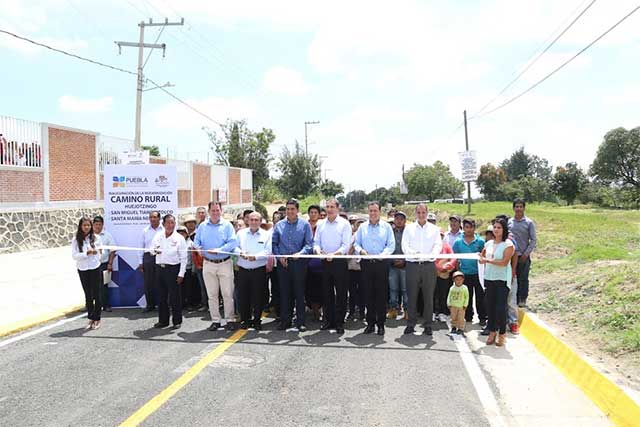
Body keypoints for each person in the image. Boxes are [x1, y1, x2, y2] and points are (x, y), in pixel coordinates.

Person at [194, 201, 239, 332]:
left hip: (224, 263)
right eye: (213, 210)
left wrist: (220, 250)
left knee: (227, 294)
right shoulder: (202, 226)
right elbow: (196, 241)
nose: (215, 213)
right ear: (209, 212)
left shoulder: (227, 226)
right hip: (208, 264)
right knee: (212, 295)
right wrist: (198, 248)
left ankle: (230, 319)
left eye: (217, 210)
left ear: (221, 211)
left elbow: (233, 242)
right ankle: (215, 320)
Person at [354, 201, 395, 335]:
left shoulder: (386, 227)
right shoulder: (362, 227)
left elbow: (391, 245)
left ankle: (381, 324)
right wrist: (361, 251)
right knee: (368, 294)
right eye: (370, 210)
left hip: (381, 264)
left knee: (381, 295)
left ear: (380, 211)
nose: (372, 213)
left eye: (375, 210)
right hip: (366, 264)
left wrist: (382, 255)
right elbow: (356, 244)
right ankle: (370, 323)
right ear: (368, 212)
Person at [272, 199, 313, 332]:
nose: (290, 211)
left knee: (299, 292)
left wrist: (300, 253)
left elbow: (309, 245)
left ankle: (300, 322)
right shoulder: (279, 225)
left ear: (297, 210)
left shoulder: (305, 225)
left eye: (292, 209)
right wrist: (279, 256)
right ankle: (286, 320)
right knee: (284, 292)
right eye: (288, 209)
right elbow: (274, 244)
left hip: (299, 263)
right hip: (283, 264)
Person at [401, 203, 442, 336]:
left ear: (427, 213)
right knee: (411, 296)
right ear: (415, 213)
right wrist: (413, 253)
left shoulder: (434, 229)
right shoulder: (409, 228)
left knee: (428, 297)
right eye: (418, 212)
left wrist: (432, 255)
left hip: (428, 266)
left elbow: (437, 245)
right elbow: (404, 246)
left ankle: (428, 325)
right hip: (412, 265)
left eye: (423, 212)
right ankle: (411, 324)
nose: (421, 215)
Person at [314, 198, 352, 334]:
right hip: (324, 262)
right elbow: (316, 242)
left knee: (341, 293)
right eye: (327, 207)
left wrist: (334, 254)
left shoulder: (344, 224)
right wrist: (318, 251)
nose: (329, 209)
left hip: (339, 262)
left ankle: (340, 322)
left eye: (332, 207)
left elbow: (346, 245)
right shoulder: (321, 224)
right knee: (327, 292)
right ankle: (328, 320)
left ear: (337, 208)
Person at [479, 217, 515, 347]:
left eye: (499, 227)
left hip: (502, 279)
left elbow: (504, 262)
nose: (496, 230)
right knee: (490, 306)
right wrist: (481, 258)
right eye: (494, 227)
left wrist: (487, 261)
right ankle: (492, 331)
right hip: (489, 278)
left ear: (504, 229)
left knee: (500, 307)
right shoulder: (488, 244)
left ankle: (502, 333)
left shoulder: (508, 245)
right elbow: (482, 256)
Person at [235, 212, 271, 331]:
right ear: (248, 221)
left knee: (258, 297)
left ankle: (257, 320)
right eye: (252, 220)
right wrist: (240, 252)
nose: (254, 222)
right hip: (243, 270)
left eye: (256, 220)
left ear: (260, 222)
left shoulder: (266, 235)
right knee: (243, 296)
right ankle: (245, 319)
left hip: (258, 270)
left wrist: (255, 257)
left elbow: (268, 251)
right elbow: (234, 247)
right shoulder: (240, 234)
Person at [151, 215, 187, 329]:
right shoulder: (158, 235)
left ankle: (177, 321)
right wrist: (154, 251)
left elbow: (184, 258)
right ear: (163, 224)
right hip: (160, 269)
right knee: (161, 297)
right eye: (168, 223)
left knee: (175, 297)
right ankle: (163, 321)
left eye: (172, 223)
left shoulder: (179, 238)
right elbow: (151, 250)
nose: (170, 225)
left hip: (173, 269)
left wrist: (181, 274)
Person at [452, 218, 487, 328]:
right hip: (465, 274)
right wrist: (459, 272)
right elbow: (455, 258)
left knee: (480, 297)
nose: (469, 229)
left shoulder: (480, 241)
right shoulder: (458, 242)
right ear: (464, 228)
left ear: (474, 228)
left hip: (478, 273)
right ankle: (468, 316)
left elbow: (483, 255)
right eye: (467, 227)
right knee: (467, 296)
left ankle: (482, 317)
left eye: (471, 227)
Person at [72, 216, 103, 330]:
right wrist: (86, 253)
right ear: (81, 226)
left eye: (88, 225)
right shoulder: (76, 240)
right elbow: (74, 256)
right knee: (88, 294)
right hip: (83, 269)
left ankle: (97, 318)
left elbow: (100, 253)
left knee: (97, 294)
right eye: (84, 225)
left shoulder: (96, 238)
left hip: (95, 268)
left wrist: (95, 253)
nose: (86, 227)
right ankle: (90, 317)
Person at [508, 198, 537, 307]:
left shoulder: (529, 223)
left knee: (523, 278)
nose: (518, 208)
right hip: (511, 256)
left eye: (521, 206)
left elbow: (533, 240)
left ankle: (522, 298)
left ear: (524, 208)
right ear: (513, 208)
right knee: (512, 277)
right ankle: (513, 298)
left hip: (523, 256)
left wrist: (526, 254)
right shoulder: (509, 222)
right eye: (516, 206)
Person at [138, 211, 163, 312]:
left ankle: (163, 304)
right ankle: (150, 305)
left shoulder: (164, 230)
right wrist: (140, 262)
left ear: (159, 218)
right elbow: (140, 247)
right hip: (148, 257)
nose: (152, 219)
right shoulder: (145, 231)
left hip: (161, 256)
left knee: (162, 281)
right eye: (150, 217)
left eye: (154, 217)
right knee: (148, 283)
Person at [92, 215, 116, 312]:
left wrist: (110, 264)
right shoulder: (89, 236)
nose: (98, 226)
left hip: (104, 264)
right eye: (96, 224)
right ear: (93, 225)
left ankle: (106, 305)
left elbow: (113, 250)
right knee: (91, 286)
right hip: (91, 265)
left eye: (100, 224)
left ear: (103, 225)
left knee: (104, 285)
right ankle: (89, 305)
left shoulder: (107, 235)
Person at [387, 211, 408, 320]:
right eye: (397, 219)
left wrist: (404, 260)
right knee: (393, 288)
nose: (399, 221)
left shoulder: (409, 232)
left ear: (405, 221)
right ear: (394, 220)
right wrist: (392, 260)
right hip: (392, 264)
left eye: (401, 219)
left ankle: (407, 311)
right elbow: (387, 246)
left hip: (406, 265)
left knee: (405, 289)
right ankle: (393, 310)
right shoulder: (390, 232)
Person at [306, 205, 324, 322]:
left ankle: (321, 310)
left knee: (322, 287)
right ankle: (314, 311)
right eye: (311, 212)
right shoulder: (304, 225)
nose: (313, 214)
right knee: (309, 288)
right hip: (307, 262)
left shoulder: (323, 226)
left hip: (321, 262)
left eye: (315, 212)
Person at [435, 229, 457, 322]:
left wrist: (448, 266)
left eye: (441, 235)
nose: (440, 237)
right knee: (431, 294)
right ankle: (432, 312)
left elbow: (453, 258)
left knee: (443, 294)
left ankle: (442, 312)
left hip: (444, 274)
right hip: (433, 273)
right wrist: (438, 268)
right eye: (438, 235)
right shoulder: (431, 246)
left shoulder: (446, 246)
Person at [347, 217, 365, 320]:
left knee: (363, 292)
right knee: (352, 292)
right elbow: (348, 253)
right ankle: (351, 311)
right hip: (352, 268)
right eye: (358, 225)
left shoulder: (367, 238)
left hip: (363, 269)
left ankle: (362, 312)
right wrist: (353, 246)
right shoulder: (351, 237)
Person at [448, 271, 469, 335]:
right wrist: (449, 304)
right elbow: (449, 296)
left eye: (460, 279)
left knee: (461, 318)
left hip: (461, 306)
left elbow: (467, 297)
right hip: (453, 306)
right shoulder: (452, 288)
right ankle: (453, 327)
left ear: (463, 280)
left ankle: (460, 328)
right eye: (457, 280)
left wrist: (465, 304)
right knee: (453, 317)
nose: (459, 281)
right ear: (454, 280)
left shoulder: (464, 288)